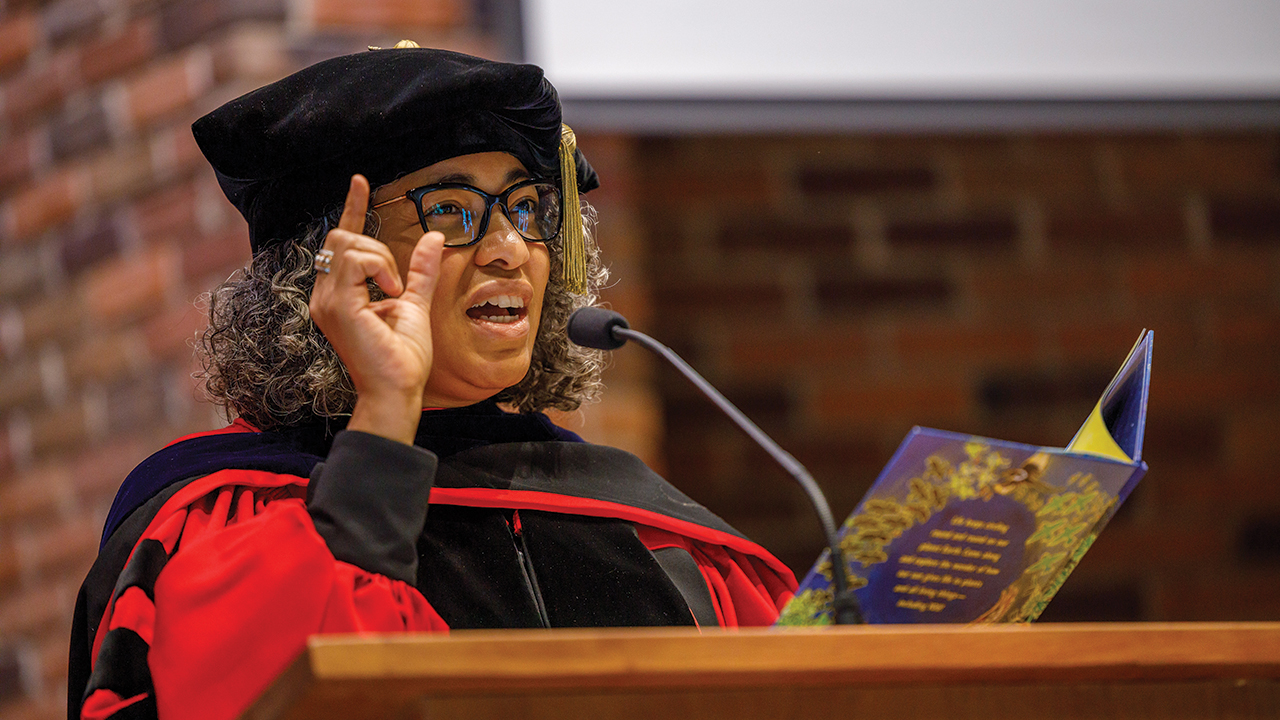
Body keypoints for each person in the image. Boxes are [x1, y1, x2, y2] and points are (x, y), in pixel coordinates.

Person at [68, 45, 797, 720]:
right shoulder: (221, 515)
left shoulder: (640, 521)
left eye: (525, 209)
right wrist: (386, 411)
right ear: (328, 263)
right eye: (450, 211)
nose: (510, 248)